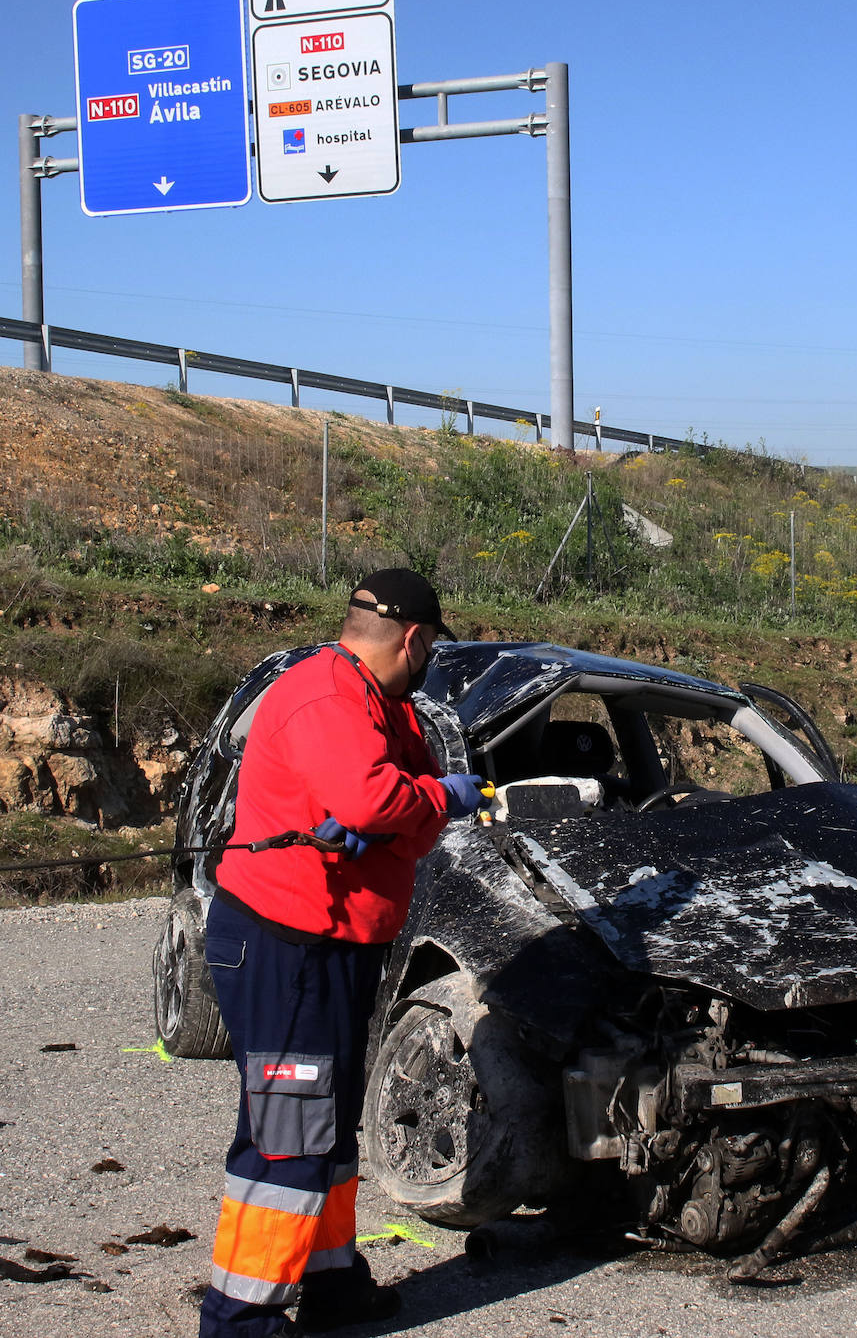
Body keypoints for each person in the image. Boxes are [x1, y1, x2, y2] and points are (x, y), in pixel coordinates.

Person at [199, 569, 484, 1338]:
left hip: (335, 945)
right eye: (428, 650)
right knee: (287, 1140)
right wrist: (441, 799)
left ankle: (331, 1286)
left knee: (322, 1127)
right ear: (415, 640)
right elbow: (376, 801)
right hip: (286, 946)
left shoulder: (377, 703)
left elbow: (395, 810)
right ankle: (240, 1321)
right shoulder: (328, 695)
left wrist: (405, 809)